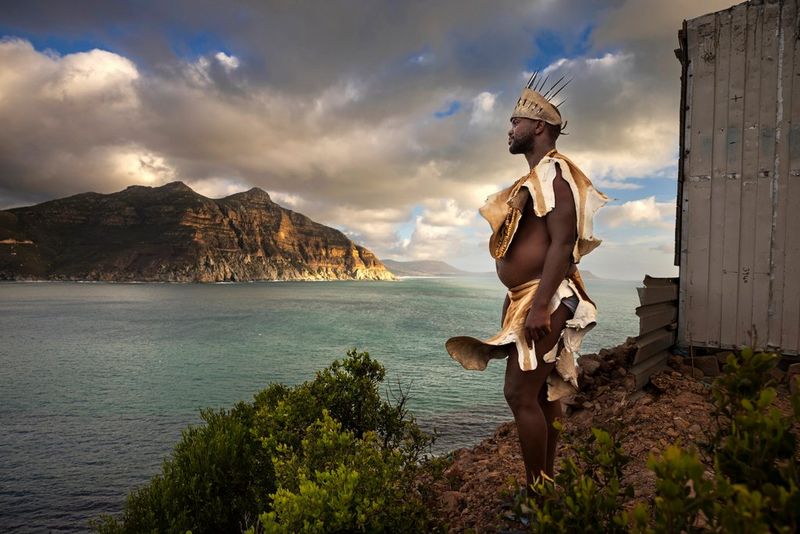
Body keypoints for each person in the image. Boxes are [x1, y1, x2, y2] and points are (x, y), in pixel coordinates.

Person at [446, 73, 607, 488]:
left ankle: (539, 496)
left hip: (545, 298)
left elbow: (563, 239)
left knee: (520, 395)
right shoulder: (533, 181)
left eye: (515, 122)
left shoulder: (555, 174)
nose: (509, 130)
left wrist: (538, 305)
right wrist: (519, 301)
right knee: (538, 395)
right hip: (529, 296)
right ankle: (546, 487)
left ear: (538, 126)